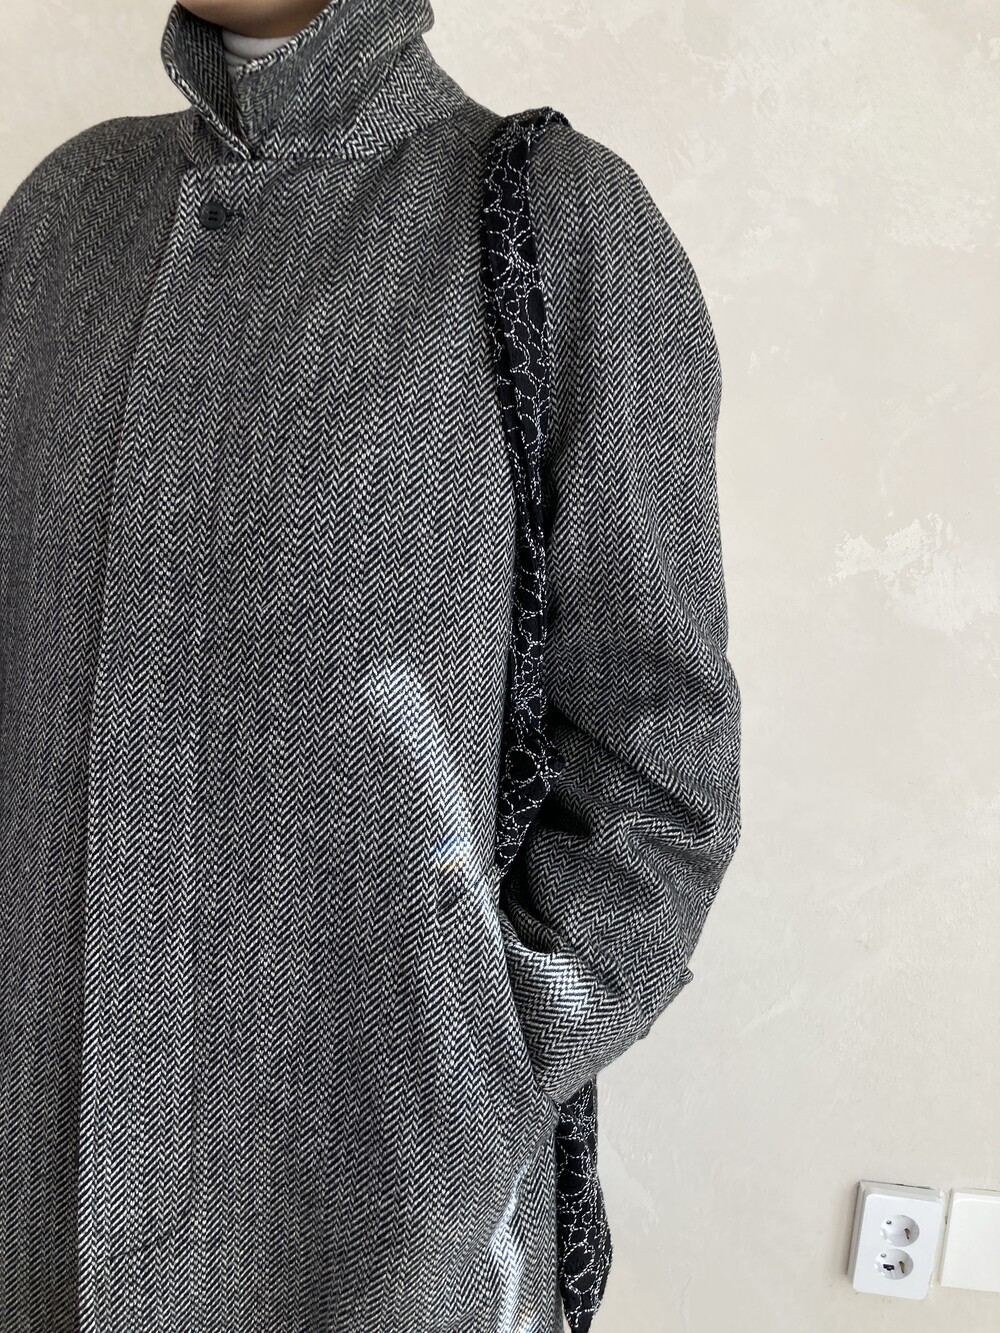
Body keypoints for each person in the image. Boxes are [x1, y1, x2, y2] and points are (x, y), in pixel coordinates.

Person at [0, 2, 742, 1330]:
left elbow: (658, 745)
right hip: (35, 1176)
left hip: (380, 1216)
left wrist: (478, 1065)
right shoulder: (66, 212)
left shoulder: (553, 219)